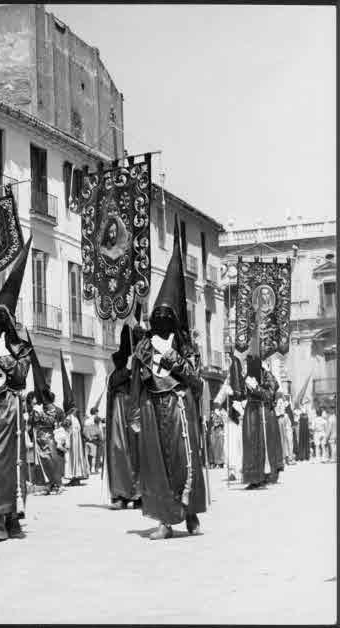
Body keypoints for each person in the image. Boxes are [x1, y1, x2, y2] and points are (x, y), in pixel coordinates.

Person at [128, 217, 206, 540]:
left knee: (184, 461)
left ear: (173, 319)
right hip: (153, 407)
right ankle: (164, 520)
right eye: (156, 316)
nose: (160, 320)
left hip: (178, 405)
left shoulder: (185, 345)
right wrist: (135, 411)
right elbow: (137, 378)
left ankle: (189, 514)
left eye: (165, 316)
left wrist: (173, 359)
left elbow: (196, 380)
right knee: (157, 465)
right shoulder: (145, 345)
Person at [0, 238, 33, 542]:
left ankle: (11, 517)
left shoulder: (21, 347)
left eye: (3, 319)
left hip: (12, 408)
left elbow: (21, 376)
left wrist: (4, 354)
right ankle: (0, 514)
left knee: (13, 461)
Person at [106, 324, 140, 509]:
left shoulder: (138, 366)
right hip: (120, 411)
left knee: (137, 451)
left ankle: (139, 493)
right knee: (119, 450)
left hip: (136, 409)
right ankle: (121, 493)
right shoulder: (116, 375)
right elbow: (116, 383)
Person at [26, 335, 65, 496]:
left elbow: (50, 420)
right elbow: (32, 421)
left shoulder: (50, 408)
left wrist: (40, 414)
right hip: (38, 437)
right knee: (41, 463)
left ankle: (57, 484)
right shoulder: (38, 406)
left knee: (51, 461)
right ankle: (47, 486)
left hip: (48, 437)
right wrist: (33, 415)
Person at [236, 352, 280, 489]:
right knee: (250, 444)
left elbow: (269, 394)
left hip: (261, 414)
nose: (245, 366)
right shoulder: (247, 377)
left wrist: (256, 388)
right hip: (251, 413)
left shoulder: (266, 375)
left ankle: (262, 476)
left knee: (260, 444)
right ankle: (253, 477)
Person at [60, 351, 88, 486]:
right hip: (72, 442)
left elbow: (75, 429)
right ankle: (73, 477)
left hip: (76, 443)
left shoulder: (74, 418)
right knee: (71, 459)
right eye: (74, 408)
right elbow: (65, 427)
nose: (76, 409)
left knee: (75, 459)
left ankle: (76, 476)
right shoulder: (70, 418)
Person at [275, 393, 294, 467]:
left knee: (287, 439)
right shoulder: (278, 402)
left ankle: (289, 457)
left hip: (283, 418)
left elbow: (288, 411)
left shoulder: (285, 402)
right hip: (280, 418)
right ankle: (284, 458)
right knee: (282, 439)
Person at [83, 408, 104, 474]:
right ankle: (96, 469)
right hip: (97, 438)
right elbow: (100, 429)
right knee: (98, 454)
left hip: (89, 439)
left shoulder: (87, 420)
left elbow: (85, 430)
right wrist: (102, 438)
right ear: (96, 412)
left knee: (90, 455)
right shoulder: (97, 419)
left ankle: (89, 469)